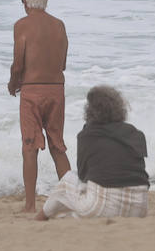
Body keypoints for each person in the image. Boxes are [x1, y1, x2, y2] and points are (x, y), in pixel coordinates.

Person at [37, 85, 149, 220]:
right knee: (77, 207)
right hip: (139, 207)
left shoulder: (88, 135)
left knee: (67, 180)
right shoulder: (135, 133)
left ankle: (41, 217)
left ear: (90, 111)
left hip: (104, 206)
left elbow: (83, 175)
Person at [9, 0, 72, 213]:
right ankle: (69, 200)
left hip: (32, 91)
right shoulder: (59, 25)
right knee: (57, 145)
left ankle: (30, 205)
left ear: (25, 2)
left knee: (29, 147)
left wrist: (13, 84)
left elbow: (18, 64)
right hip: (56, 90)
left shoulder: (21, 26)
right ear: (46, 1)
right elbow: (63, 63)